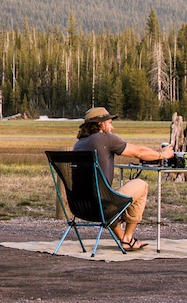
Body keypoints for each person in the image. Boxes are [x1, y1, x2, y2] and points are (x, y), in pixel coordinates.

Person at [73, 106, 174, 250]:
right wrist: (163, 155)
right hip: (102, 206)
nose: (112, 127)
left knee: (109, 195)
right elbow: (138, 152)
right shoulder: (105, 139)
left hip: (80, 206)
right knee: (141, 185)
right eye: (109, 123)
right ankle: (127, 238)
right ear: (100, 124)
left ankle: (125, 240)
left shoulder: (78, 144)